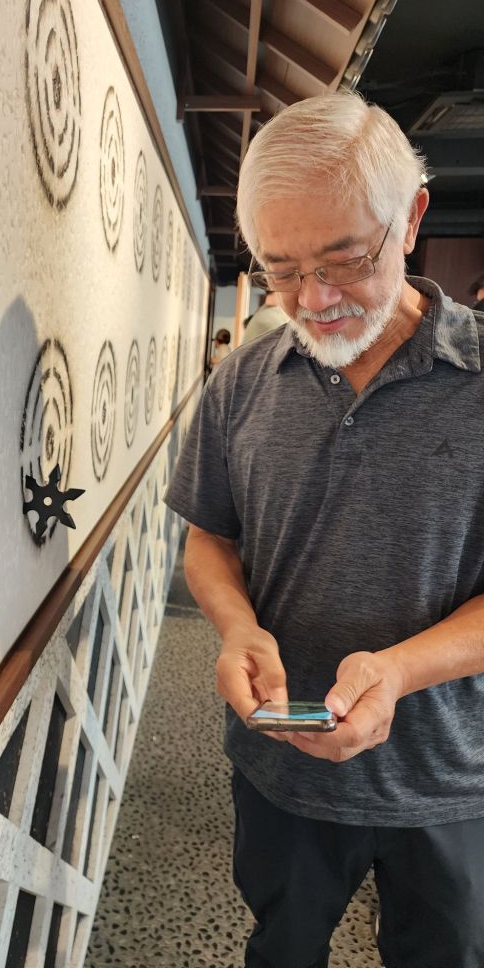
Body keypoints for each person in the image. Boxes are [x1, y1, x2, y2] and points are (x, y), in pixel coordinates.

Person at [165, 91, 484, 968]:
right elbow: (210, 538)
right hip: (283, 764)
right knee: (282, 946)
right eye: (282, 269)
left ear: (411, 218)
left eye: (345, 260)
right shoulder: (244, 381)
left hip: (452, 777)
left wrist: (399, 670)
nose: (314, 299)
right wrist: (236, 626)